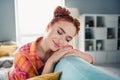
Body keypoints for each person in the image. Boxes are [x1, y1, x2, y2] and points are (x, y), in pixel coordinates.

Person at [8, 6, 94, 80]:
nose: (61, 41)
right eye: (59, 32)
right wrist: (51, 61)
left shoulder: (61, 48)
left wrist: (75, 52)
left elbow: (90, 59)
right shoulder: (23, 56)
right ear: (48, 26)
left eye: (67, 39)